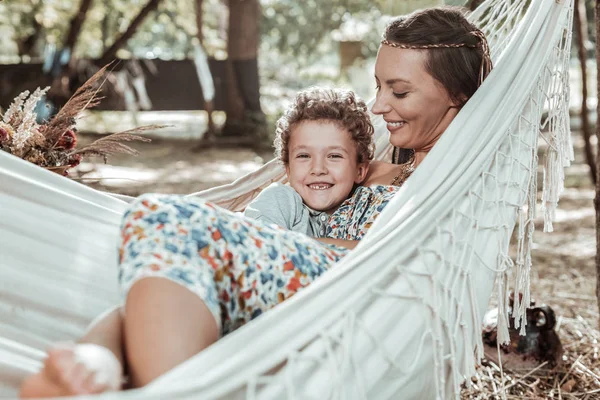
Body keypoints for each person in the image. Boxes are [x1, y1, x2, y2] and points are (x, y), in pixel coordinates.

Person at [20, 6, 492, 398]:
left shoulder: (453, 180)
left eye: (399, 91)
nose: (377, 105)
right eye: (378, 85)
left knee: (171, 222)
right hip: (293, 278)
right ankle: (97, 362)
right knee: (166, 239)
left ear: (458, 96)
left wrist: (252, 237)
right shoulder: (372, 160)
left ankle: (121, 372)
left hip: (344, 299)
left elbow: (410, 264)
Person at [243, 87, 374, 238]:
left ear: (360, 170)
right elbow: (262, 249)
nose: (318, 169)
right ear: (289, 170)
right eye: (304, 156)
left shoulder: (364, 212)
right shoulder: (279, 200)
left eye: (334, 156)